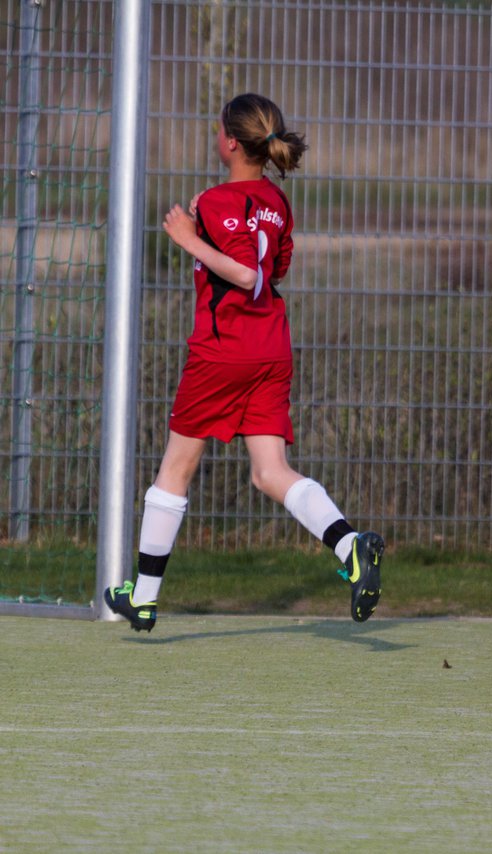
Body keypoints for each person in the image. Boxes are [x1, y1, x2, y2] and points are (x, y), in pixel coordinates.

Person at [103, 93, 384, 633]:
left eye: (217, 131)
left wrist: (189, 238)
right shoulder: (277, 201)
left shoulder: (215, 200)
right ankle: (349, 545)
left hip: (223, 349)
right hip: (271, 348)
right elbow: (275, 268)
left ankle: (142, 596)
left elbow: (248, 275)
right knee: (269, 471)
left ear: (230, 141)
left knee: (176, 467)